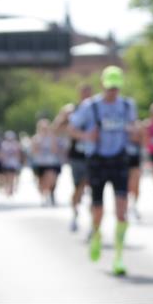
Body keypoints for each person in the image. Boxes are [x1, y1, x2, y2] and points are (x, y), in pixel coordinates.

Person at [68, 66, 139, 275]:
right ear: (102, 85)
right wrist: (86, 136)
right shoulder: (90, 106)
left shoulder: (127, 106)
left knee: (121, 211)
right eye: (109, 88)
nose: (113, 92)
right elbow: (71, 129)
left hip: (119, 159)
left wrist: (134, 131)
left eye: (116, 88)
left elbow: (134, 129)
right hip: (97, 160)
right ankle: (96, 234)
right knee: (98, 209)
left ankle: (118, 256)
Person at [65, 85, 94, 231]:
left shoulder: (96, 108)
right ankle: (75, 214)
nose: (87, 97)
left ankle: (93, 222)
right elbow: (60, 128)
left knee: (91, 187)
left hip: (93, 155)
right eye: (84, 94)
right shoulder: (72, 110)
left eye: (89, 94)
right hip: (77, 155)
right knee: (78, 188)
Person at [30, 118, 62, 207]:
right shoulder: (36, 138)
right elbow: (33, 151)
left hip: (51, 163)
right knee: (41, 182)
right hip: (39, 163)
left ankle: (49, 194)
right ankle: (44, 196)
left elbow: (55, 150)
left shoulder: (53, 138)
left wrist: (51, 137)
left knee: (51, 179)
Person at [125, 108, 143, 220]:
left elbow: (142, 139)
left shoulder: (138, 126)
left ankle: (135, 205)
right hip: (123, 159)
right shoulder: (121, 123)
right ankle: (125, 206)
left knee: (136, 183)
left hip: (135, 159)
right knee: (125, 185)